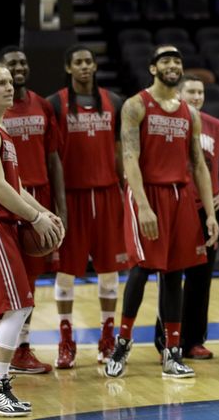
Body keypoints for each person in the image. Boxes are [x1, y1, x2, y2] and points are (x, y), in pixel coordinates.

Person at [104, 45, 219, 380]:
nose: (173, 65)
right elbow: (129, 159)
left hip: (180, 195)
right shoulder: (136, 105)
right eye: (166, 61)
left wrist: (209, 214)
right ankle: (122, 344)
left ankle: (172, 351)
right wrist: (142, 205)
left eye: (177, 61)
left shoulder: (189, 112)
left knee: (174, 274)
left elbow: (198, 165)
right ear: (153, 68)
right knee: (142, 269)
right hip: (148, 193)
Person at [0, 62, 63, 416]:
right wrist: (34, 217)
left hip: (1, 226)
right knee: (18, 305)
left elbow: (16, 186)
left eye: (10, 81)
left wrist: (44, 212)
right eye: (0, 82)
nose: (9, 86)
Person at [150, 74, 219, 359]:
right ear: (178, 95)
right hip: (172, 209)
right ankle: (166, 340)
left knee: (200, 280)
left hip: (205, 213)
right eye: (190, 91)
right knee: (169, 278)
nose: (196, 96)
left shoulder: (216, 128)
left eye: (200, 92)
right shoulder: (169, 125)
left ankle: (193, 341)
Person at [47, 45, 128, 369]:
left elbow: (122, 151)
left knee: (110, 273)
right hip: (72, 198)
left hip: (108, 195)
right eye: (78, 61)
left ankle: (107, 336)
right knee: (65, 274)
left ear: (95, 66)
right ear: (69, 67)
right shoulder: (55, 103)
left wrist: (126, 190)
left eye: (89, 61)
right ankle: (66, 340)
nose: (84, 66)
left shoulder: (115, 102)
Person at [0, 46, 66, 374]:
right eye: (12, 64)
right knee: (2, 279)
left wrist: (58, 207)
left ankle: (20, 349)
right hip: (7, 199)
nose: (19, 68)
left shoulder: (41, 105)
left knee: (31, 279)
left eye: (23, 62)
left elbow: (54, 158)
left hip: (37, 197)